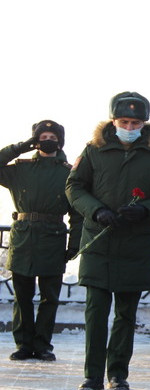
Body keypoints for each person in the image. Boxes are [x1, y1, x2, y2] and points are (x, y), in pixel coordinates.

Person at [66, 92, 150, 390]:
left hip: (135, 243)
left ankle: (118, 373)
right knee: (96, 311)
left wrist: (145, 209)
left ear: (144, 123)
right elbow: (74, 187)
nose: (129, 127)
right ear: (113, 120)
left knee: (126, 314)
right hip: (99, 242)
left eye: (136, 122)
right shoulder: (94, 150)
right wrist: (97, 210)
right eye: (124, 121)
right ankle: (92, 375)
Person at [1, 120, 81, 362]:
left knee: (50, 297)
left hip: (53, 237)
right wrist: (19, 147)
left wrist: (74, 243)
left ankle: (43, 344)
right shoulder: (21, 168)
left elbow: (77, 213)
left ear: (60, 141)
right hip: (23, 237)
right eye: (42, 136)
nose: (48, 140)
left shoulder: (69, 173)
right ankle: (24, 344)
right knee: (22, 296)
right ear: (35, 140)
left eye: (53, 136)